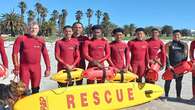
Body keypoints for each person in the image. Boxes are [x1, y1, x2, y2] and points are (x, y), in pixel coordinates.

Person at [12, 21, 51, 94]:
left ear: (38, 29)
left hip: (37, 68)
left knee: (36, 89)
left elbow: (45, 55)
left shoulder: (41, 40)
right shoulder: (21, 39)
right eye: (31, 28)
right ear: (27, 29)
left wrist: (48, 68)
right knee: (23, 90)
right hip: (24, 68)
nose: (33, 30)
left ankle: (34, 104)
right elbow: (15, 53)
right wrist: (16, 67)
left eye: (35, 28)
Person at [164, 30, 188, 99]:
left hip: (180, 67)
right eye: (175, 35)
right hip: (170, 66)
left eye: (178, 35)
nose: (176, 36)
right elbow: (166, 55)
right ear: (172, 36)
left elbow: (185, 56)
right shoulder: (169, 44)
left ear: (180, 36)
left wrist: (183, 67)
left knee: (179, 82)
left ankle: (178, 96)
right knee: (168, 81)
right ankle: (166, 95)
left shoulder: (184, 44)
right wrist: (168, 65)